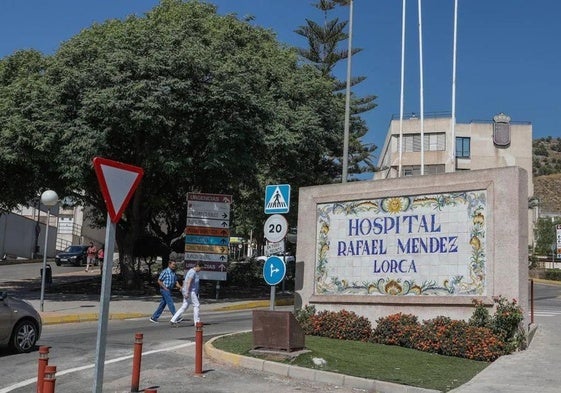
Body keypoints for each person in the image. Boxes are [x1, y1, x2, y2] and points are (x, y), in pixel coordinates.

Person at [170, 261, 204, 326]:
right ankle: (197, 322)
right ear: (198, 266)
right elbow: (189, 282)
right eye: (201, 268)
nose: (200, 270)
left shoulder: (192, 271)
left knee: (184, 306)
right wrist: (187, 292)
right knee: (196, 305)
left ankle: (173, 319)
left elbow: (185, 281)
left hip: (188, 291)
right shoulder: (193, 272)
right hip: (191, 292)